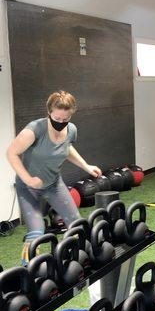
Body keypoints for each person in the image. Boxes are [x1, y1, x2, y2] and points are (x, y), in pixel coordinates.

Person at [7, 90, 102, 265]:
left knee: (76, 223)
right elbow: (11, 153)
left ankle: (76, 260)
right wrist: (28, 180)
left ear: (71, 115)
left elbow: (67, 149)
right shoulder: (35, 129)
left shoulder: (71, 130)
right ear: (49, 112)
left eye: (65, 119)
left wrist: (86, 166)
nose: (61, 123)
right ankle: (29, 272)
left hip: (53, 184)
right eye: (57, 119)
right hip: (28, 188)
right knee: (37, 232)